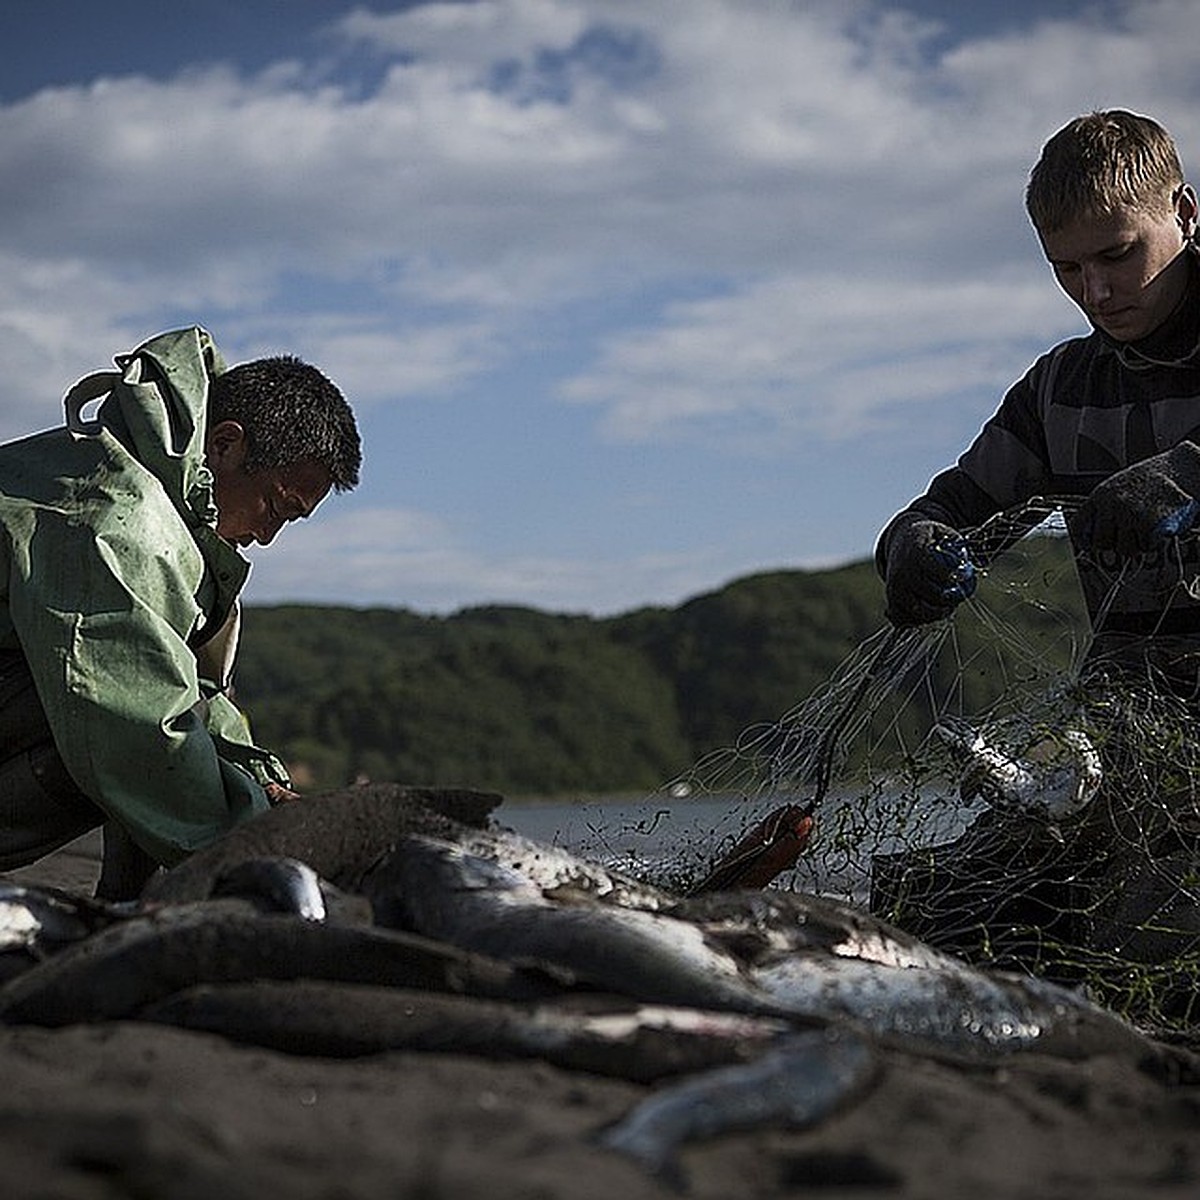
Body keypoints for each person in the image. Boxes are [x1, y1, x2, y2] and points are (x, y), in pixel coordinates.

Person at [873, 110, 1200, 1009]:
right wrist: (913, 548)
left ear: (1185, 212)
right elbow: (946, 507)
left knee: (1157, 930)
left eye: (1119, 254)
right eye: (1067, 269)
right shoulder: (1058, 389)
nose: (1096, 290)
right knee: (936, 912)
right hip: (1138, 732)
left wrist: (1185, 473)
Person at [0, 326, 361, 899]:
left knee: (148, 696)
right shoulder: (117, 525)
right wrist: (268, 849)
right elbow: (136, 723)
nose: (267, 536)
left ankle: (124, 903)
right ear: (224, 444)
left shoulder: (161, 508)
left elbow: (184, 684)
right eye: (274, 506)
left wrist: (263, 783)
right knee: (111, 717)